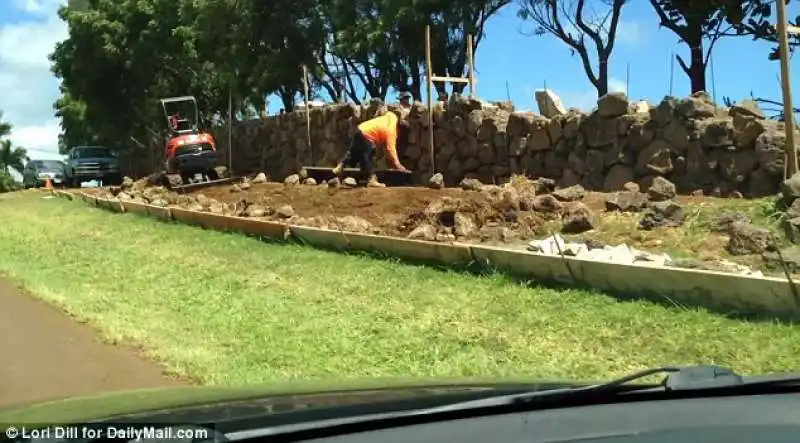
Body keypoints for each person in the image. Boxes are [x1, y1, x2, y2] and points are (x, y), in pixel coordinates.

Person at [332, 110, 409, 188]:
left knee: (354, 153)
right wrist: (398, 165)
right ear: (400, 129)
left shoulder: (392, 116)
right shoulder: (392, 132)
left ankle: (341, 165)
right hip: (367, 136)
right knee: (369, 157)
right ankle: (371, 180)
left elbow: (383, 112)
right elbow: (391, 150)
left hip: (360, 129)